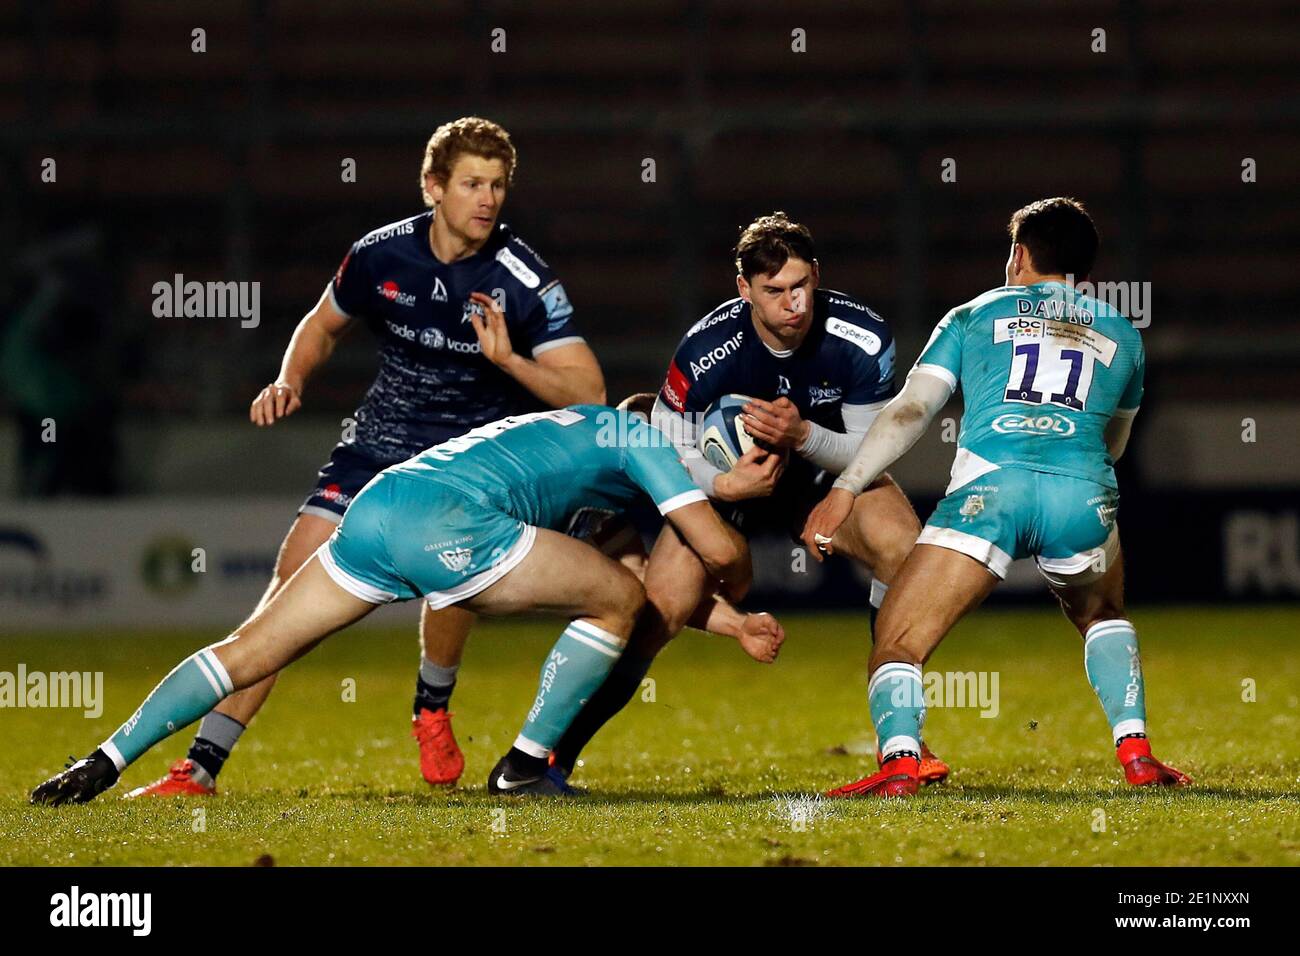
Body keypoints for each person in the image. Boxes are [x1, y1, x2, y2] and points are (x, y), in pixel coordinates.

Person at [130, 117, 605, 798]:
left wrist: (509, 360)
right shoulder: (381, 255)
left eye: (498, 185)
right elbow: (321, 326)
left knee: (452, 585)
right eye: (472, 183)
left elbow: (588, 391)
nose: (488, 199)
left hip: (464, 465)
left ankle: (432, 706)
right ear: (433, 186)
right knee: (284, 596)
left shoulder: (521, 277)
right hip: (374, 449)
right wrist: (291, 378)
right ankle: (200, 767)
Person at [31, 406, 759, 806]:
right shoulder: (644, 438)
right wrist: (737, 501)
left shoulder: (584, 440)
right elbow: (718, 556)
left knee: (250, 648)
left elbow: (635, 581)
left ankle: (104, 759)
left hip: (379, 508)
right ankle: (524, 767)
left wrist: (729, 624)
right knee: (615, 600)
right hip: (450, 522)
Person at [802, 197, 1190, 797]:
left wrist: (847, 488)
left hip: (992, 491)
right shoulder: (1123, 334)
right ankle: (1137, 753)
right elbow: (1112, 443)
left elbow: (910, 412)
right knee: (1103, 614)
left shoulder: (973, 315)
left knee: (898, 644)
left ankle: (902, 763)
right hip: (1081, 497)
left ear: (1019, 254)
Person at [547, 212, 949, 785]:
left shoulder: (861, 338)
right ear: (745, 290)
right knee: (658, 609)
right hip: (720, 489)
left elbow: (870, 450)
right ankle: (549, 758)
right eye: (775, 291)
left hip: (816, 475)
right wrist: (724, 485)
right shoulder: (705, 350)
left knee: (905, 550)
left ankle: (900, 738)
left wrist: (802, 436)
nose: (794, 305)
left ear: (818, 275)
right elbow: (666, 453)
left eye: (802, 286)